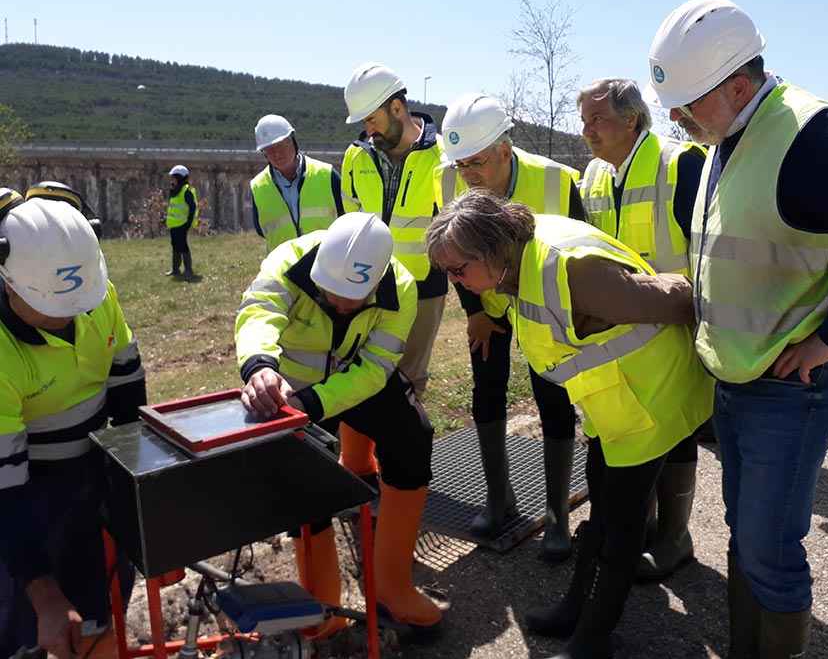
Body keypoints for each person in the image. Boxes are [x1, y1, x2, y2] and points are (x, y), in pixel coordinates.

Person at [645, 0, 828, 656]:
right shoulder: (729, 133)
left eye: (687, 105)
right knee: (749, 531)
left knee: (769, 545)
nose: (677, 119)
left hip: (795, 381)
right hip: (745, 372)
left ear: (738, 85)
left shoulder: (809, 133)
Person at [427, 191, 713, 659]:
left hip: (652, 403)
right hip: (617, 406)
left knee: (621, 527)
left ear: (491, 250)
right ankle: (575, 609)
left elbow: (680, 297)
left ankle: (593, 641)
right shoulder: (515, 266)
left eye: (458, 270)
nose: (456, 281)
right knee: (602, 508)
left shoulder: (572, 270)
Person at [235, 212, 442, 634]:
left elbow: (374, 370)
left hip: (352, 379)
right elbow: (259, 312)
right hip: (288, 383)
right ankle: (320, 607)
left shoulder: (400, 287)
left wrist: (315, 402)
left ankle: (392, 589)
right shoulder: (287, 261)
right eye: (330, 294)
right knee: (302, 477)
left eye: (354, 299)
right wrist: (259, 366)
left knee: (413, 438)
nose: (341, 305)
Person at [435, 92, 583, 561]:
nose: (467, 175)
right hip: (490, 303)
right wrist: (475, 311)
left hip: (548, 307)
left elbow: (581, 250)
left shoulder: (557, 182)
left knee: (552, 396)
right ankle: (500, 500)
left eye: (476, 162)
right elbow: (450, 250)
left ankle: (557, 516)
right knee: (486, 388)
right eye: (460, 164)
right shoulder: (448, 180)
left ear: (505, 150)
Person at [0, 185, 145, 659]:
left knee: (99, 598)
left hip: (93, 463)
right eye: (53, 310)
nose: (70, 320)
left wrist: (141, 516)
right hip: (22, 484)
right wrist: (42, 594)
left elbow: (128, 394)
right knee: (22, 617)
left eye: (79, 306)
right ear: (9, 281)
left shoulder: (95, 295)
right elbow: (8, 489)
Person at [578, 77, 710, 582]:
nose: (588, 131)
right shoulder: (591, 174)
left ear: (631, 118)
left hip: (675, 326)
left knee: (676, 431)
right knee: (633, 432)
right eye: (585, 120)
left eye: (598, 119)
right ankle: (643, 529)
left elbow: (708, 251)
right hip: (618, 335)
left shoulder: (680, 163)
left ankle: (675, 539)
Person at [340, 63, 447, 492]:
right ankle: (357, 470)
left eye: (372, 118)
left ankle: (398, 477)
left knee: (406, 382)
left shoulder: (442, 157)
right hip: (365, 287)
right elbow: (349, 218)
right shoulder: (356, 157)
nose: (367, 130)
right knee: (357, 370)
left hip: (421, 289)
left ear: (398, 107)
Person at [250, 114, 346, 254]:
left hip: (327, 263)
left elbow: (349, 217)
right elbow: (261, 230)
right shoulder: (257, 187)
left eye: (281, 146)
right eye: (270, 149)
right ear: (264, 153)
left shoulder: (327, 174)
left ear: (293, 141)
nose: (277, 154)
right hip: (283, 267)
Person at [164, 165, 198, 279]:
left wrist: (188, 223)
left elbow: (192, 208)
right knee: (175, 246)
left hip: (182, 224)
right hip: (174, 224)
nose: (172, 180)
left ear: (180, 177)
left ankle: (188, 270)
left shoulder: (186, 191)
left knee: (183, 246)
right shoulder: (174, 190)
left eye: (174, 177)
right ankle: (175, 269)